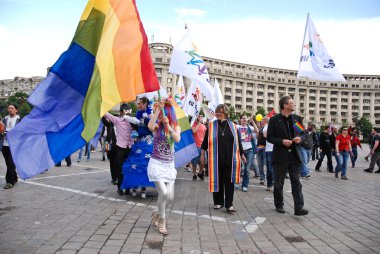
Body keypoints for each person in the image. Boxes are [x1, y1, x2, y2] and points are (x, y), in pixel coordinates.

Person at [200, 104, 246, 213]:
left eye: (220, 112)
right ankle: (218, 202)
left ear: (226, 113)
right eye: (217, 111)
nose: (218, 113)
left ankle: (229, 204)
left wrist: (242, 154)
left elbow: (238, 142)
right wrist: (202, 155)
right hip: (215, 159)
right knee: (217, 181)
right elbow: (205, 142)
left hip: (231, 159)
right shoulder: (211, 126)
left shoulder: (233, 126)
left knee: (229, 182)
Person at [267, 96, 308, 216]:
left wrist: (300, 138)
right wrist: (281, 141)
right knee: (279, 182)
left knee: (296, 181)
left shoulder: (296, 119)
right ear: (285, 106)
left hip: (294, 156)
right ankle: (279, 204)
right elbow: (269, 137)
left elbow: (303, 134)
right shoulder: (275, 120)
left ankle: (299, 208)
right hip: (281, 156)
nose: (294, 105)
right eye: (292, 103)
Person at [148, 100, 181, 235]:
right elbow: (150, 125)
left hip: (169, 165)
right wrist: (157, 111)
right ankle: (162, 220)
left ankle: (156, 212)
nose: (162, 118)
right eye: (160, 116)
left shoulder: (176, 126)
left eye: (163, 115)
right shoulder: (156, 127)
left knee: (170, 197)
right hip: (156, 163)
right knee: (164, 193)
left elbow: (177, 138)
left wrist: (169, 126)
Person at [121, 97, 155, 198]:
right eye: (138, 103)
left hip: (148, 143)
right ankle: (135, 186)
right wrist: (129, 120)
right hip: (139, 142)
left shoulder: (150, 114)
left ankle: (143, 188)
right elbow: (136, 124)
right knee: (135, 164)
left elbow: (152, 126)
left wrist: (146, 119)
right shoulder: (138, 114)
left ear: (145, 104)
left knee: (145, 165)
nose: (138, 105)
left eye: (140, 103)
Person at [104, 103, 139, 195]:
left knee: (129, 169)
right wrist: (101, 106)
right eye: (125, 110)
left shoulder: (132, 121)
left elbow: (140, 126)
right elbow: (107, 114)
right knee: (121, 169)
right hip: (120, 147)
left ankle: (127, 188)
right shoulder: (117, 120)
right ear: (121, 112)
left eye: (128, 110)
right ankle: (120, 187)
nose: (127, 112)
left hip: (130, 147)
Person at [1, 104, 21, 189]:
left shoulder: (20, 120)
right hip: (5, 145)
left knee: (10, 163)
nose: (10, 109)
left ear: (16, 110)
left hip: (15, 146)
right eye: (8, 108)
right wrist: (2, 132)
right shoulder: (4, 119)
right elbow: (1, 129)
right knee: (8, 163)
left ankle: (9, 182)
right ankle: (15, 177)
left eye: (12, 108)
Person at [238, 114, 259, 192]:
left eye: (246, 119)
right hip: (239, 150)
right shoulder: (237, 127)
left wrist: (252, 121)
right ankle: (235, 182)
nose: (245, 120)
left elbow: (257, 131)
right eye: (243, 118)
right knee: (237, 167)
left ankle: (245, 185)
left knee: (247, 169)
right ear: (240, 120)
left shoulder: (249, 127)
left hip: (249, 150)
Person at [191, 114, 207, 181]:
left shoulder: (204, 126)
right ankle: (194, 174)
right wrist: (199, 123)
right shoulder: (193, 124)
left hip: (202, 147)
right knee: (194, 162)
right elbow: (194, 131)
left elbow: (206, 136)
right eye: (198, 116)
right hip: (195, 147)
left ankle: (200, 172)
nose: (200, 117)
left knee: (203, 162)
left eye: (201, 116)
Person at [102, 116, 118, 184]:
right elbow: (104, 121)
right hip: (109, 145)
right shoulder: (109, 126)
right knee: (111, 162)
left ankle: (117, 177)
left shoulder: (119, 126)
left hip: (117, 146)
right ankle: (113, 178)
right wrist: (102, 113)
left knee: (117, 162)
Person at [263, 116, 274, 191]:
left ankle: (274, 183)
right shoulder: (266, 127)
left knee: (276, 168)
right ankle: (270, 184)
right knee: (270, 169)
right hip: (269, 150)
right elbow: (265, 135)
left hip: (277, 150)